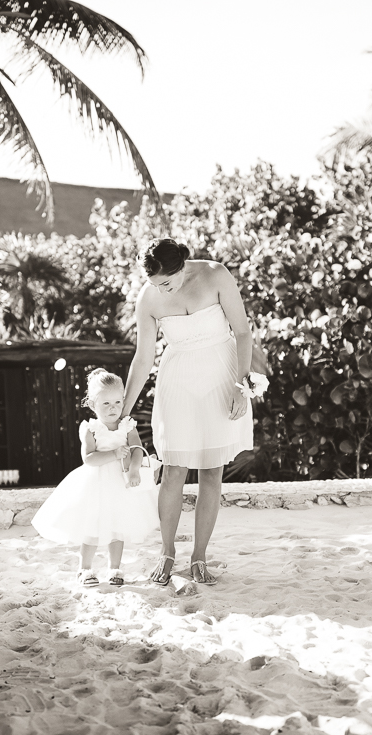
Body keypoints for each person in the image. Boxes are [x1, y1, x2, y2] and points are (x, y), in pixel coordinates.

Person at [121, 239, 255, 586]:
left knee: (212, 471)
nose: (161, 290)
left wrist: (242, 385)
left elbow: (242, 332)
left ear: (181, 266)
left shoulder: (215, 275)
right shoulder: (148, 299)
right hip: (178, 378)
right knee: (173, 470)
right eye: (155, 285)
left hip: (222, 374)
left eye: (166, 282)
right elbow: (143, 357)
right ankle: (166, 553)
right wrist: (124, 410)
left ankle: (199, 557)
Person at [33, 369, 157, 587]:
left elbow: (137, 449)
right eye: (106, 404)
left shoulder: (127, 425)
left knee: (118, 528)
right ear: (92, 404)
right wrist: (113, 454)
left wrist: (135, 469)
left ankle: (115, 568)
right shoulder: (91, 428)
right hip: (96, 483)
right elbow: (89, 458)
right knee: (92, 527)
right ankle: (85, 569)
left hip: (121, 482)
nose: (113, 408)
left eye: (118, 402)